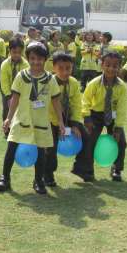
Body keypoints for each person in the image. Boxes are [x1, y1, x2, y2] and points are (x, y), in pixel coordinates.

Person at [0, 42, 65, 195]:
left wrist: (61, 122)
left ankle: (38, 180)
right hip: (21, 120)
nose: (36, 62)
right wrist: (8, 118)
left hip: (41, 123)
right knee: (11, 148)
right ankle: (4, 177)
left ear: (45, 60)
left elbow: (56, 101)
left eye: (39, 59)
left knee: (40, 153)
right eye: (32, 58)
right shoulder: (21, 76)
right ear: (28, 58)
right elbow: (15, 98)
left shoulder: (50, 80)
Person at [74, 52, 127, 182]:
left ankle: (117, 169)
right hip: (95, 115)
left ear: (119, 68)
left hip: (112, 116)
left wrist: (118, 127)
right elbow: (85, 100)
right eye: (108, 65)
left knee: (121, 142)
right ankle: (86, 171)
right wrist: (87, 117)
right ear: (102, 65)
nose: (111, 68)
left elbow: (121, 108)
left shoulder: (121, 87)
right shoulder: (94, 83)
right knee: (90, 141)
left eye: (115, 66)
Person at [44, 53, 86, 189]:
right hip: (51, 121)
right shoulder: (49, 82)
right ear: (54, 67)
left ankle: (82, 168)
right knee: (51, 149)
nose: (65, 72)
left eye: (68, 68)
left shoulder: (73, 83)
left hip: (68, 119)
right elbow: (49, 106)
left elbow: (76, 104)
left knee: (86, 137)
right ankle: (48, 174)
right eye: (61, 68)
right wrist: (59, 124)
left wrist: (74, 125)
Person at [0, 37, 29, 137]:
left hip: (21, 92)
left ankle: (19, 129)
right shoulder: (4, 64)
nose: (17, 54)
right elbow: (4, 82)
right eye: (14, 52)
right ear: (9, 50)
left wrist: (18, 95)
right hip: (7, 91)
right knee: (6, 110)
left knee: (21, 110)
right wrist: (8, 97)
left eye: (19, 52)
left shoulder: (26, 64)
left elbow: (26, 81)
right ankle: (6, 130)